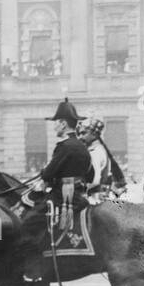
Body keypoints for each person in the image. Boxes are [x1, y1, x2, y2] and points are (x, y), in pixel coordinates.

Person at [39, 99, 94, 233]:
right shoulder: (82, 146)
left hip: (62, 196)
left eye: (56, 123)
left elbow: (47, 174)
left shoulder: (64, 146)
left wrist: (44, 173)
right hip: (80, 195)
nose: (54, 127)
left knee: (32, 218)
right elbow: (91, 174)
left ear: (63, 124)